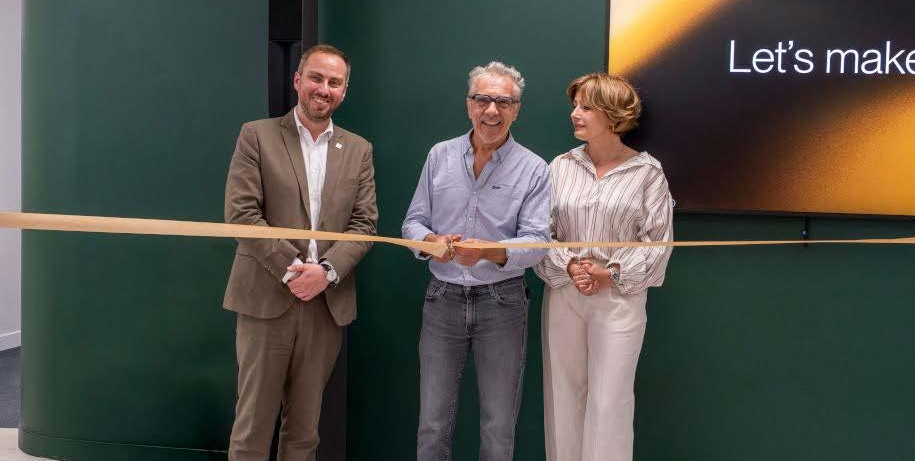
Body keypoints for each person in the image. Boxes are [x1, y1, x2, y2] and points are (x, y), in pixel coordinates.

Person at [223, 44, 377, 461]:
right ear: (297, 80)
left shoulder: (359, 150)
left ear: (344, 91)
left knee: (305, 432)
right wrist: (293, 269)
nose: (323, 89)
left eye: (334, 82)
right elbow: (241, 214)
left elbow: (364, 226)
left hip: (326, 304)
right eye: (316, 78)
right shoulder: (256, 135)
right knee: (252, 428)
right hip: (266, 299)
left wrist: (325, 272)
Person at [401, 61, 551, 461]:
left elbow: (538, 243)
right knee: (432, 423)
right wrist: (430, 241)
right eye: (483, 99)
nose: (492, 110)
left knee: (498, 426)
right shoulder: (440, 156)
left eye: (504, 102)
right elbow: (413, 222)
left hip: (503, 303)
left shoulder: (534, 169)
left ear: (516, 110)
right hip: (442, 299)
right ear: (469, 105)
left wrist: (487, 250)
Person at [533, 73, 674, 461]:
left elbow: (659, 243)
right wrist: (571, 265)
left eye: (586, 107)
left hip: (619, 298)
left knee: (610, 401)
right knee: (563, 395)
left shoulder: (648, 173)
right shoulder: (560, 167)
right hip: (565, 291)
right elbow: (540, 232)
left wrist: (610, 273)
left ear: (613, 115)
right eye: (575, 105)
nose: (574, 114)